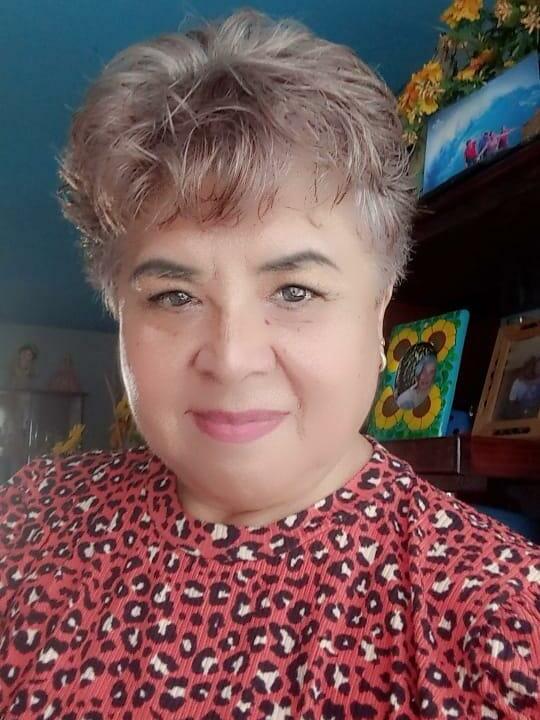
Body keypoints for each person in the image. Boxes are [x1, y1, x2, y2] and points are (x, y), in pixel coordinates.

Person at [1, 10, 539, 719]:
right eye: (174, 296)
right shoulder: (32, 516)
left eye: (295, 291)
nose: (232, 358)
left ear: (379, 311)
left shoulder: (502, 623)